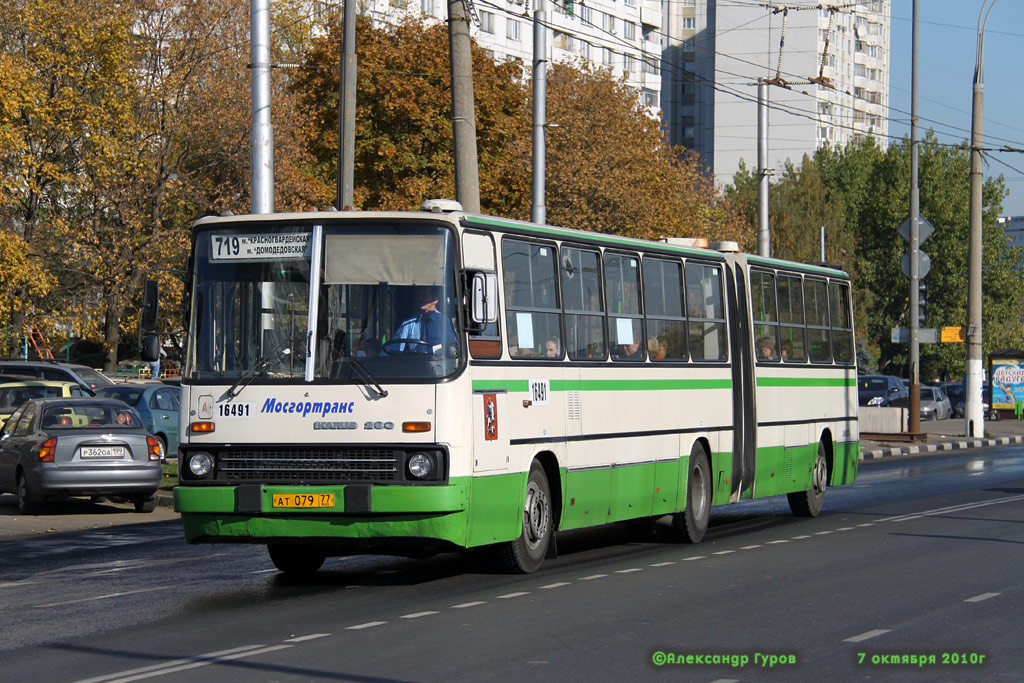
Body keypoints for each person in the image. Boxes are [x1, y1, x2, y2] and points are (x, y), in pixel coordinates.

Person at [393, 286, 457, 355]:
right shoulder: (408, 324)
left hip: (438, 364)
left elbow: (452, 348)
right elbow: (394, 348)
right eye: (418, 295)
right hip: (415, 363)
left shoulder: (445, 323)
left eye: (424, 296)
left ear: (435, 300)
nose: (420, 299)